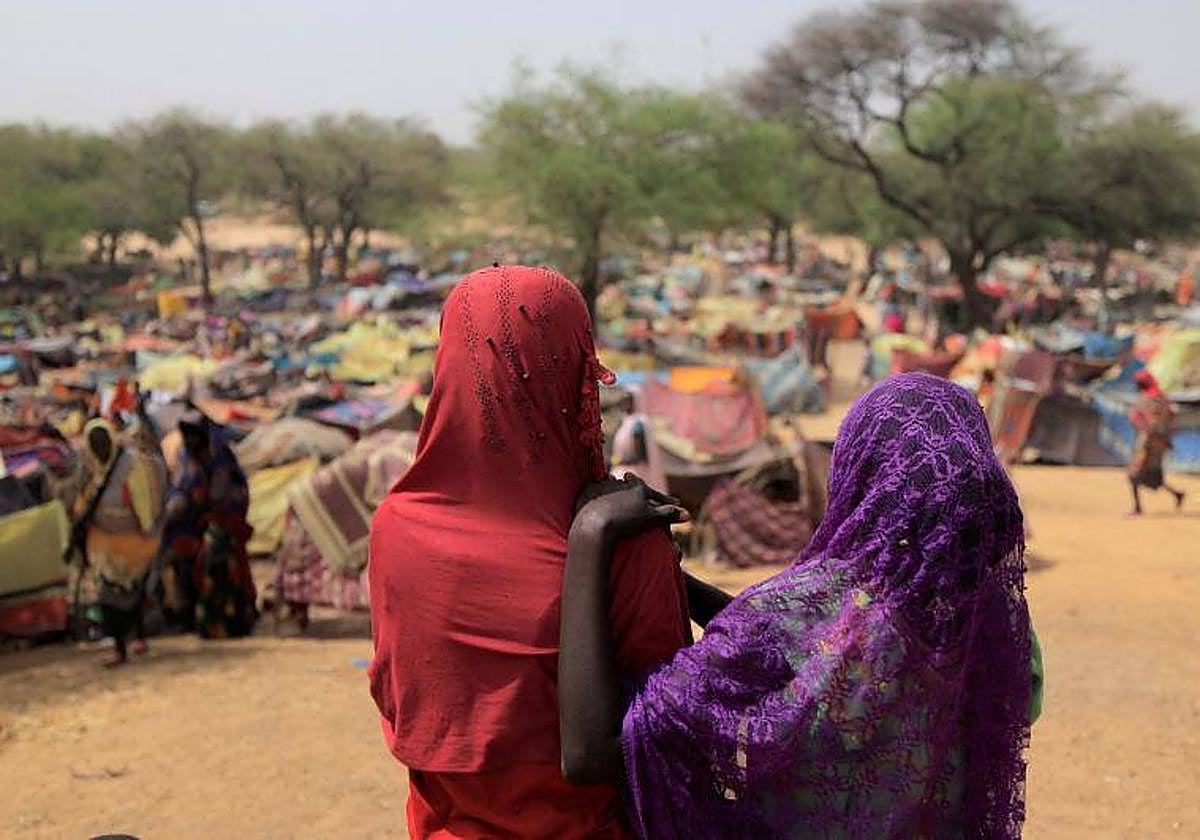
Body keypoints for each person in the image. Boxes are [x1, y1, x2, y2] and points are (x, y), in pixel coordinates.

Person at [560, 373, 1043, 839]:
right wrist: (676, 583)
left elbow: (593, 754)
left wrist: (591, 534)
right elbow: (809, 645)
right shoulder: (998, 630)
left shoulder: (815, 607)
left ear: (859, 472)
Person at [367, 265, 693, 840]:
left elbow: (405, 707)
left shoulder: (395, 529)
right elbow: (663, 733)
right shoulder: (627, 543)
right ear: (577, 371)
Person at [74, 418, 168, 667]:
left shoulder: (131, 467)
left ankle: (138, 635)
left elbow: (144, 503)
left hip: (134, 542)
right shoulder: (90, 470)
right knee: (108, 596)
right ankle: (118, 647)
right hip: (105, 545)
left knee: (134, 591)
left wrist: (148, 532)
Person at [157, 411, 258, 638]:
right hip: (192, 523)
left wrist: (206, 509)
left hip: (223, 523)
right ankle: (185, 613)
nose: (190, 441)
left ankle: (224, 620)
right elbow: (182, 492)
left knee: (215, 557)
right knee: (173, 552)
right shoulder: (187, 458)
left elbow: (225, 496)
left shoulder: (221, 459)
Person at [1128, 370, 1186, 515]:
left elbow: (1153, 422)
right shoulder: (1162, 398)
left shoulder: (1149, 399)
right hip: (1158, 443)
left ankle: (1138, 508)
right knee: (1151, 475)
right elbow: (1170, 420)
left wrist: (1149, 437)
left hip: (1149, 441)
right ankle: (1177, 494)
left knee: (1134, 474)